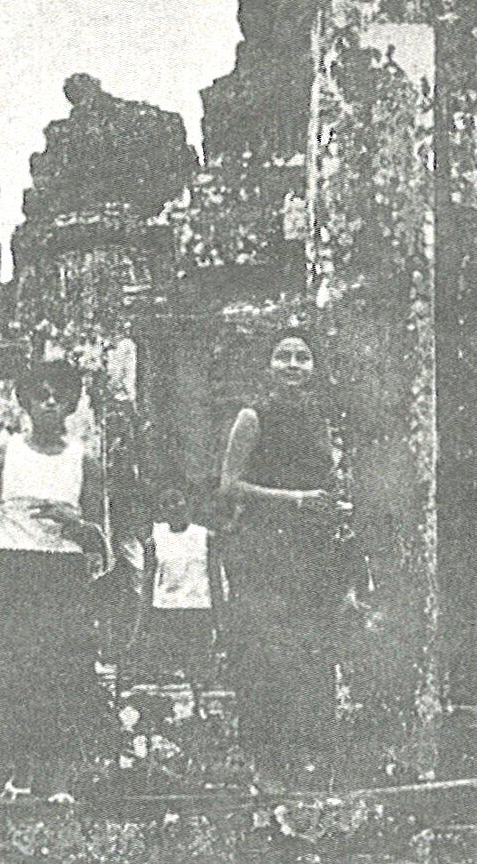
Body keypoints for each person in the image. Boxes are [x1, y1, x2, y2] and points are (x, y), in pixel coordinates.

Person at [0, 361, 109, 798]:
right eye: (40, 394)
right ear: (25, 401)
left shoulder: (85, 461)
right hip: (15, 572)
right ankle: (20, 775)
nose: (49, 403)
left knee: (65, 674)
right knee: (15, 675)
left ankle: (59, 780)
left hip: (63, 575)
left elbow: (100, 542)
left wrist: (75, 523)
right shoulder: (2, 453)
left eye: (58, 396)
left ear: (71, 404)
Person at [218, 332, 351, 790]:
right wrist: (294, 500)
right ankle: (266, 763)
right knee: (265, 655)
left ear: (314, 367)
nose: (293, 365)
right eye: (283, 356)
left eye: (302, 357)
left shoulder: (319, 419)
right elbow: (230, 485)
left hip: (310, 551)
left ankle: (308, 763)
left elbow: (328, 479)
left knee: (309, 653)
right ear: (269, 365)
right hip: (263, 550)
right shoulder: (253, 417)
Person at [137, 485, 223, 684]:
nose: (172, 507)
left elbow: (215, 579)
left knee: (199, 675)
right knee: (168, 678)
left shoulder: (205, 536)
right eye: (165, 504)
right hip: (165, 613)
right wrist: (142, 624)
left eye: (176, 501)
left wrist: (220, 621)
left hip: (198, 612)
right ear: (161, 510)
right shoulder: (154, 541)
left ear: (187, 504)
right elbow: (148, 583)